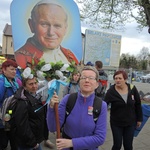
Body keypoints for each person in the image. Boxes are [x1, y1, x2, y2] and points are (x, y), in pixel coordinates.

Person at [47, 66, 107, 150]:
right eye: (83, 77)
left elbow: (100, 138)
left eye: (91, 78)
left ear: (97, 84)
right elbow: (52, 127)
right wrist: (51, 108)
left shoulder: (101, 105)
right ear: (79, 82)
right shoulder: (68, 99)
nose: (87, 80)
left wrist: (72, 143)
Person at [15, 0, 79, 69]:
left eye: (57, 26)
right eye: (44, 24)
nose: (51, 32)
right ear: (31, 25)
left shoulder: (70, 56)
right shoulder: (20, 57)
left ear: (65, 29)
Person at [104, 70, 143, 150]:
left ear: (125, 79)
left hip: (130, 123)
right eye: (116, 78)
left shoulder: (132, 88)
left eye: (120, 78)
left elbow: (138, 104)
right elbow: (104, 105)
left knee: (128, 145)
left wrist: (139, 119)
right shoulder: (111, 91)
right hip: (116, 123)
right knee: (117, 145)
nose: (117, 80)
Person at [13, 74, 47, 150]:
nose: (34, 86)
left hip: (35, 139)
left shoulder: (35, 95)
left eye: (35, 83)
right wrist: (33, 143)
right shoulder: (22, 101)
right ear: (24, 86)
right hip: (28, 143)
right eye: (31, 84)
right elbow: (22, 125)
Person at [0, 59, 22, 150]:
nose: (14, 72)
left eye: (15, 69)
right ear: (4, 70)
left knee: (14, 140)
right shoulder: (1, 83)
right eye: (12, 69)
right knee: (3, 142)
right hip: (3, 117)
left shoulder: (15, 82)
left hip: (13, 116)